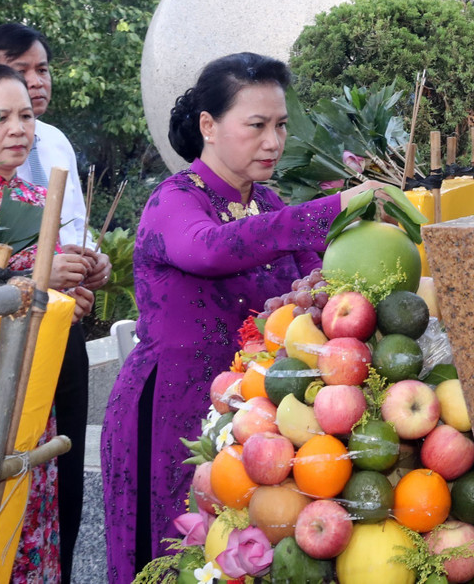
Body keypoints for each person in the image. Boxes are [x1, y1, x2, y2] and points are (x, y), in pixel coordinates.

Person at [100, 53, 383, 582]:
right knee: (172, 560)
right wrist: (331, 208)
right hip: (170, 411)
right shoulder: (174, 199)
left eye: (279, 125)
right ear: (209, 126)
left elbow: (317, 281)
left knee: (238, 560)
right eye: (256, 126)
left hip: (249, 420)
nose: (273, 141)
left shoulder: (268, 203)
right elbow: (209, 250)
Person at [0, 24, 109, 582]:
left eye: (41, 70)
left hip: (56, 339)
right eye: (1, 116)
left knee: (57, 468)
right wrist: (40, 281)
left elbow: (72, 234)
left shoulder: (53, 147)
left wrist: (86, 272)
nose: (19, 124)